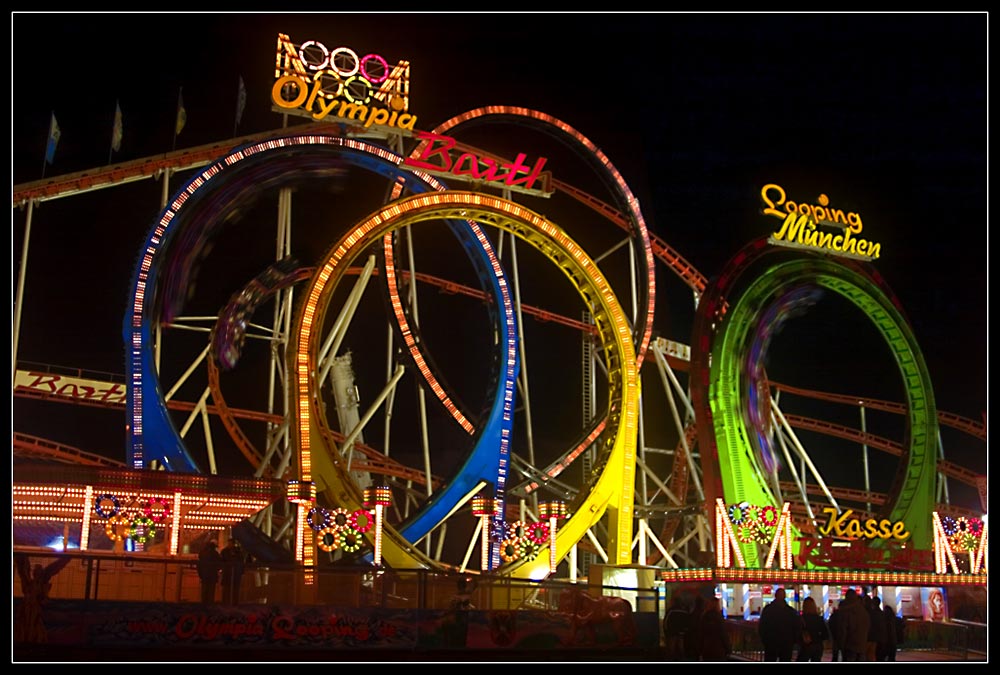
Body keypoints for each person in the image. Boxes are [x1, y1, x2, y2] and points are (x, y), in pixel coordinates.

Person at [14, 554, 71, 643]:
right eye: (36, 571)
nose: (36, 573)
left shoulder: (38, 583)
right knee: (27, 625)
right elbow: (23, 568)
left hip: (32, 610)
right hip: (28, 609)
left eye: (37, 571)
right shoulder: (29, 582)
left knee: (32, 625)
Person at [758, 587, 801, 661]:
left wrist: (765, 639)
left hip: (771, 642)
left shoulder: (768, 610)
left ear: (775, 596)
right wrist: (793, 640)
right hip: (786, 643)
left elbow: (762, 626)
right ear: (785, 596)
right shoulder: (790, 611)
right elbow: (796, 626)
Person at [835, 589, 870, 662]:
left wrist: (841, 644)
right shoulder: (863, 611)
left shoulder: (846, 611)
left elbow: (843, 629)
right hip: (862, 644)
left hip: (850, 645)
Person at [698, 597, 731, 661]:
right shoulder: (719, 617)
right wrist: (728, 648)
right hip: (718, 648)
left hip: (707, 648)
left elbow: (701, 634)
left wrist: (700, 650)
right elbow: (723, 633)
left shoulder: (704, 617)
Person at [796, 596, 829, 661]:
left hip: (806, 645)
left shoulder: (801, 619)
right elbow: (825, 634)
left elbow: (797, 632)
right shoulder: (819, 619)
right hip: (818, 645)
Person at [663, 593, 692, 660]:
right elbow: (687, 622)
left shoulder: (671, 610)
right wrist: (684, 630)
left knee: (671, 649)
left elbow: (666, 622)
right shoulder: (684, 611)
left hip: (672, 632)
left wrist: (666, 631)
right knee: (681, 648)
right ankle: (682, 659)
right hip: (681, 632)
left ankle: (671, 660)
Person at [220, 539, 246, 604]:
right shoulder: (238, 552)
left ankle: (229, 602)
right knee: (231, 589)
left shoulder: (225, 552)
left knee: (230, 589)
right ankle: (230, 602)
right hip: (233, 573)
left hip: (230, 573)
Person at [865, 594, 889, 661]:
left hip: (872, 638)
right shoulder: (882, 614)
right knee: (880, 658)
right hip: (881, 638)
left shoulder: (870, 614)